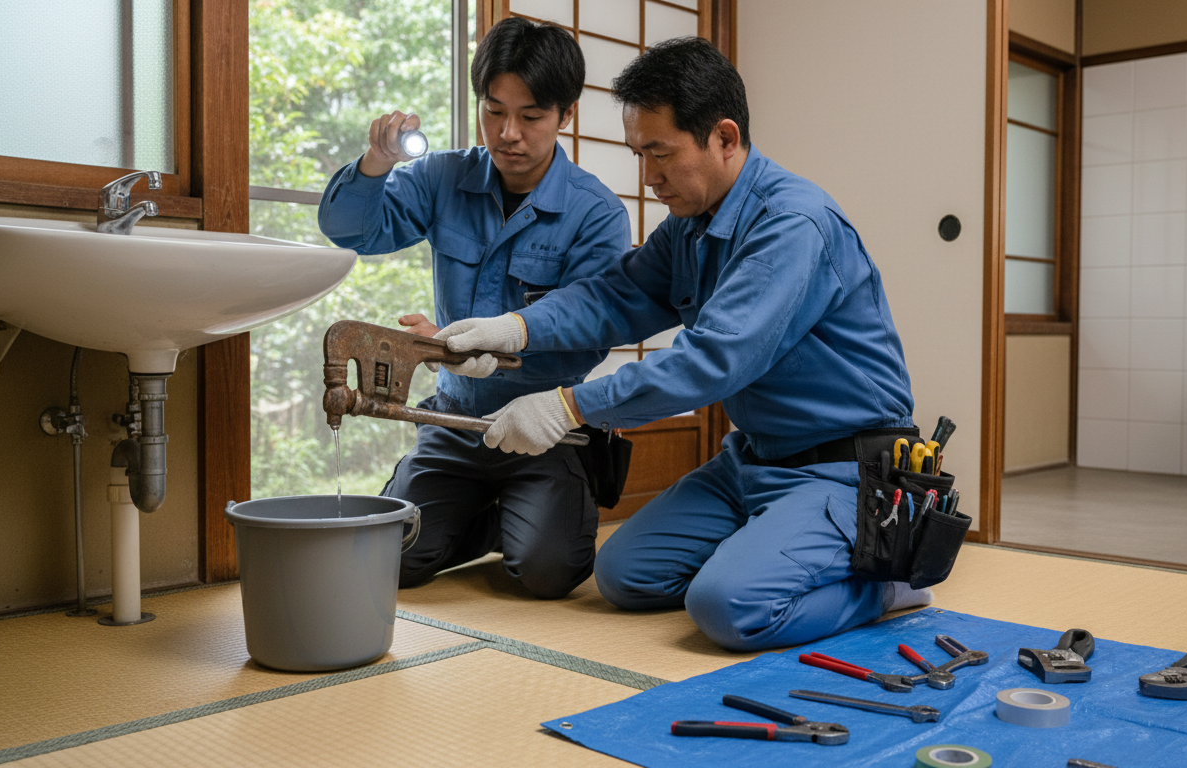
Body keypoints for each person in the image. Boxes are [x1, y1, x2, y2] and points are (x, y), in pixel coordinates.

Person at [433, 37, 934, 651]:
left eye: (661, 154)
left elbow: (711, 362)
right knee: (623, 577)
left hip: (843, 471)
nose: (649, 178)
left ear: (724, 138)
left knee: (727, 608)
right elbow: (614, 297)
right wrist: (516, 328)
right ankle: (774, 548)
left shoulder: (791, 225)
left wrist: (568, 407)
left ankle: (890, 579)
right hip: (752, 461)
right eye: (639, 154)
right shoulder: (690, 228)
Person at [317, 17, 631, 598]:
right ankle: (489, 516)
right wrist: (375, 162)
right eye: (493, 110)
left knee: (544, 573)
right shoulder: (443, 176)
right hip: (452, 422)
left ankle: (523, 514)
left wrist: (485, 348)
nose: (508, 132)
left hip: (544, 429)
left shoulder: (598, 213)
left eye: (531, 116)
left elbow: (592, 331)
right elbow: (349, 230)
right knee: (388, 561)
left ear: (566, 114)